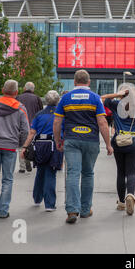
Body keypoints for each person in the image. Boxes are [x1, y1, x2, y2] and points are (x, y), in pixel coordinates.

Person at [53, 70, 113, 224]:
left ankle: (72, 210)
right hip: (91, 141)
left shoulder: (65, 98)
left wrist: (58, 139)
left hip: (72, 140)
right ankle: (86, 210)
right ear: (89, 81)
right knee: (88, 173)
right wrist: (108, 143)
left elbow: (57, 122)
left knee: (73, 173)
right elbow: (102, 122)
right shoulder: (95, 98)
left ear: (74, 81)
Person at [0, 80, 29, 219]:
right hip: (10, 146)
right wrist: (19, 144)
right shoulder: (20, 108)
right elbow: (25, 130)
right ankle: (3, 210)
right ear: (16, 92)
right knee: (8, 179)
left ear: (2, 90)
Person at [102, 84, 135, 215]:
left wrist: (118, 95)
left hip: (119, 142)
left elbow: (103, 99)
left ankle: (121, 202)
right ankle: (130, 195)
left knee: (121, 172)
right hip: (134, 142)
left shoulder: (117, 106)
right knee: (131, 172)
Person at [21, 90, 63, 212]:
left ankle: (37, 197)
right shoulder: (61, 114)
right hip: (54, 145)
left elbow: (32, 132)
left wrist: (24, 147)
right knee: (51, 172)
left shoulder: (39, 114)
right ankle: (49, 204)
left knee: (40, 171)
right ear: (58, 100)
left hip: (39, 145)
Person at [16, 82, 44, 173]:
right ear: (33, 89)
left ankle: (22, 167)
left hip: (20, 123)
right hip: (33, 124)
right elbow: (41, 112)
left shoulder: (18, 97)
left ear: (24, 88)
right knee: (30, 143)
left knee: (21, 145)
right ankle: (28, 159)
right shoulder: (37, 98)